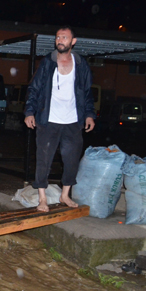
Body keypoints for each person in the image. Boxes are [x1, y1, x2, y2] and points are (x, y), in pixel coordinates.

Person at [24, 26, 95, 212]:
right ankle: (42, 198)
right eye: (57, 37)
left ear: (73, 41)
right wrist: (29, 112)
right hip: (48, 120)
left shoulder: (81, 64)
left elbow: (87, 93)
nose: (60, 40)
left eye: (64, 37)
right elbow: (34, 88)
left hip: (73, 121)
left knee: (71, 159)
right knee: (43, 159)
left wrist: (89, 115)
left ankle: (65, 195)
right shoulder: (48, 62)